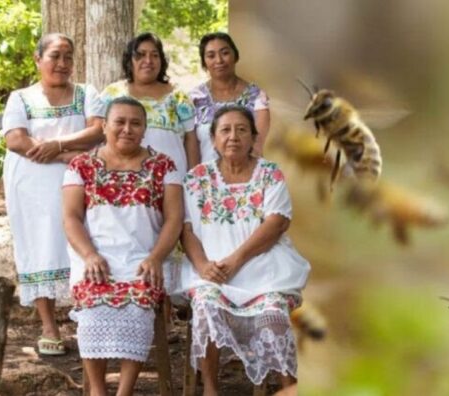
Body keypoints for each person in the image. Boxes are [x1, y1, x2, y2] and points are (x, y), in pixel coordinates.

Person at [176, 105, 310, 395]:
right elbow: (185, 229)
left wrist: (236, 259)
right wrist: (202, 265)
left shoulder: (270, 174)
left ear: (253, 137)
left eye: (241, 130)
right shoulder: (196, 179)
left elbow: (277, 223)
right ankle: (211, 389)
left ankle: (290, 388)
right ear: (213, 139)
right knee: (206, 306)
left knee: (273, 313)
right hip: (211, 270)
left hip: (264, 268)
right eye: (225, 130)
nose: (233, 137)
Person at [62, 97, 183, 396]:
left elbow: (174, 219)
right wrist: (89, 255)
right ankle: (98, 391)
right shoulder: (82, 166)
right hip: (94, 256)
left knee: (139, 303)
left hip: (145, 257)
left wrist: (156, 257)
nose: (127, 129)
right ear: (104, 126)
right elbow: (71, 218)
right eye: (120, 122)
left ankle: (124, 392)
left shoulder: (163, 165)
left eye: (135, 123)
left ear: (144, 129)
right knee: (91, 306)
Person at [1, 32, 104, 356]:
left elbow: (98, 130)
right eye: (55, 56)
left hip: (79, 180)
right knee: (40, 246)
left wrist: (59, 148)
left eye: (68, 57)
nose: (62, 63)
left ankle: (89, 322)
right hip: (31, 185)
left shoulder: (87, 93)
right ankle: (49, 326)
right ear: (38, 59)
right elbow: (16, 139)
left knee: (87, 242)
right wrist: (61, 153)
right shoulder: (21, 97)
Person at [100, 32, 199, 172]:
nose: (148, 60)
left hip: (173, 180)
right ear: (129, 61)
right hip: (123, 180)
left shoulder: (178, 96)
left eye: (154, 55)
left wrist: (193, 179)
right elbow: (100, 135)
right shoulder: (112, 94)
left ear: (162, 61)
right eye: (140, 55)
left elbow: (191, 139)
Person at [189, 32, 271, 163]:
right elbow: (190, 147)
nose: (219, 60)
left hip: (246, 178)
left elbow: (256, 147)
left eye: (225, 53)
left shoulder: (256, 97)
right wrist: (194, 180)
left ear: (235, 56)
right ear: (204, 63)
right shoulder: (195, 98)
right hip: (205, 179)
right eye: (211, 56)